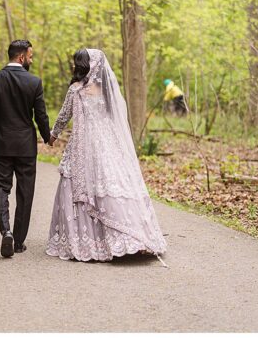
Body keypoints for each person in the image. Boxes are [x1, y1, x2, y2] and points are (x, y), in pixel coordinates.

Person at [46, 49, 167, 262]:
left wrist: (53, 134)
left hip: (85, 144)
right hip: (107, 144)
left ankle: (92, 241)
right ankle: (129, 236)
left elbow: (65, 115)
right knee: (111, 182)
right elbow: (114, 118)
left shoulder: (76, 90)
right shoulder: (106, 90)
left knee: (79, 185)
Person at [0, 39, 52, 258]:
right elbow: (40, 116)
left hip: (1, 144)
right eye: (30, 55)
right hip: (26, 147)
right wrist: (47, 137)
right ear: (21, 57)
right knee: (25, 192)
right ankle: (18, 242)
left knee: (0, 187)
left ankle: (6, 231)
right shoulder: (34, 82)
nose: (31, 59)